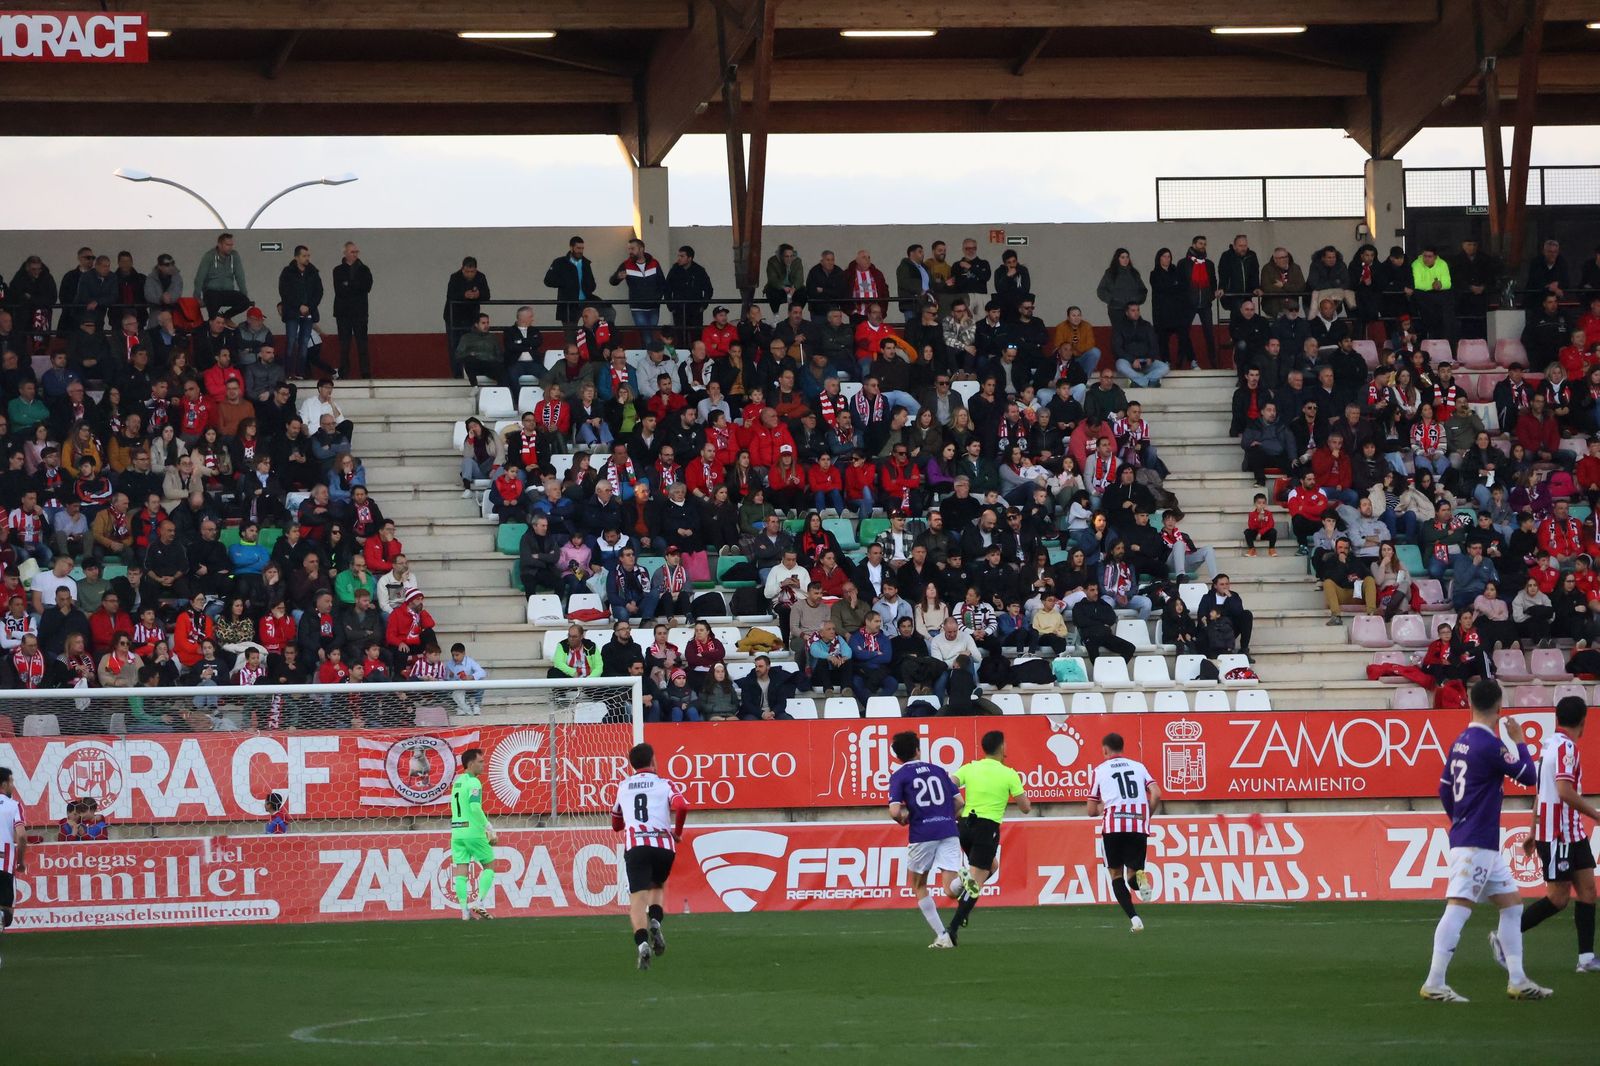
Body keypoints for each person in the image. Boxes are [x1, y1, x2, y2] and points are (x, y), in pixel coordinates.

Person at [1420, 679, 1550, 1002]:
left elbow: (1444, 789)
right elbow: (1529, 776)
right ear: (1499, 707)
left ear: (1469, 702)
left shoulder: (1461, 741)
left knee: (1512, 906)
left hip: (1480, 842)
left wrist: (1459, 818)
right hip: (1476, 842)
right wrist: (1519, 741)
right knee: (1459, 907)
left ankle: (1518, 979)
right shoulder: (1490, 745)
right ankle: (1434, 982)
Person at [1517, 696, 1599, 973]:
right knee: (1558, 898)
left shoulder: (1549, 746)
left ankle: (1586, 958)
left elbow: (1541, 792)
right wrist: (1596, 814)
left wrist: (1531, 829)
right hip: (1557, 834)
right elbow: (1563, 791)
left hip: (1571, 832)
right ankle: (1507, 936)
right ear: (1584, 722)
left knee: (1588, 891)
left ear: (1557, 719)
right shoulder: (1565, 749)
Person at [945, 730, 1032, 946]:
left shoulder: (971, 767)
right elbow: (1025, 808)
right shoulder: (1009, 773)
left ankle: (960, 886)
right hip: (987, 828)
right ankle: (951, 932)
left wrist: (956, 807)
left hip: (965, 826)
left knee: (992, 867)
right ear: (1002, 748)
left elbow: (949, 783)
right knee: (976, 883)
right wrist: (1016, 793)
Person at [611, 742, 688, 970]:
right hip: (664, 846)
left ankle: (642, 943)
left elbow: (616, 822)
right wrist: (677, 833)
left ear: (632, 764)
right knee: (656, 887)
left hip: (636, 846)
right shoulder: (666, 784)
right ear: (653, 761)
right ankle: (655, 920)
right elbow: (682, 806)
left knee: (637, 899)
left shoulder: (624, 786)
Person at [887, 730, 964, 949]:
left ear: (897, 756)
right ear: (918, 749)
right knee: (950, 888)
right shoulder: (938, 770)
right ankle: (964, 880)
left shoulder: (900, 775)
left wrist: (903, 819)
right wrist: (947, 818)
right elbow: (959, 802)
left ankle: (942, 935)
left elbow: (894, 811)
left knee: (919, 885)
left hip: (922, 834)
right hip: (948, 830)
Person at [1087, 731, 1160, 933]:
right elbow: (1156, 793)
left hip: (1113, 827)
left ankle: (1135, 919)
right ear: (1122, 748)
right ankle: (1140, 879)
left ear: (1104, 749)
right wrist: (1147, 816)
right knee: (1132, 876)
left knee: (1116, 874)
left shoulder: (1099, 770)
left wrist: (1106, 805)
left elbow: (1091, 811)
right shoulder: (1139, 767)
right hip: (1137, 824)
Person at [448, 747, 497, 921]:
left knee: (461, 872)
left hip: (457, 832)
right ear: (470, 764)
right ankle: (480, 902)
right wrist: (488, 826)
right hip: (472, 832)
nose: (484, 764)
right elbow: (475, 807)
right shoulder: (474, 782)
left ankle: (464, 912)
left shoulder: (458, 782)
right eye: (480, 761)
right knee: (490, 866)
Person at [0, 765, 25, 966]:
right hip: (4, 864)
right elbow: (22, 836)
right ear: (4, 784)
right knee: (6, 915)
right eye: (11, 781)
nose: (13, 785)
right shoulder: (14, 805)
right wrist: (21, 861)